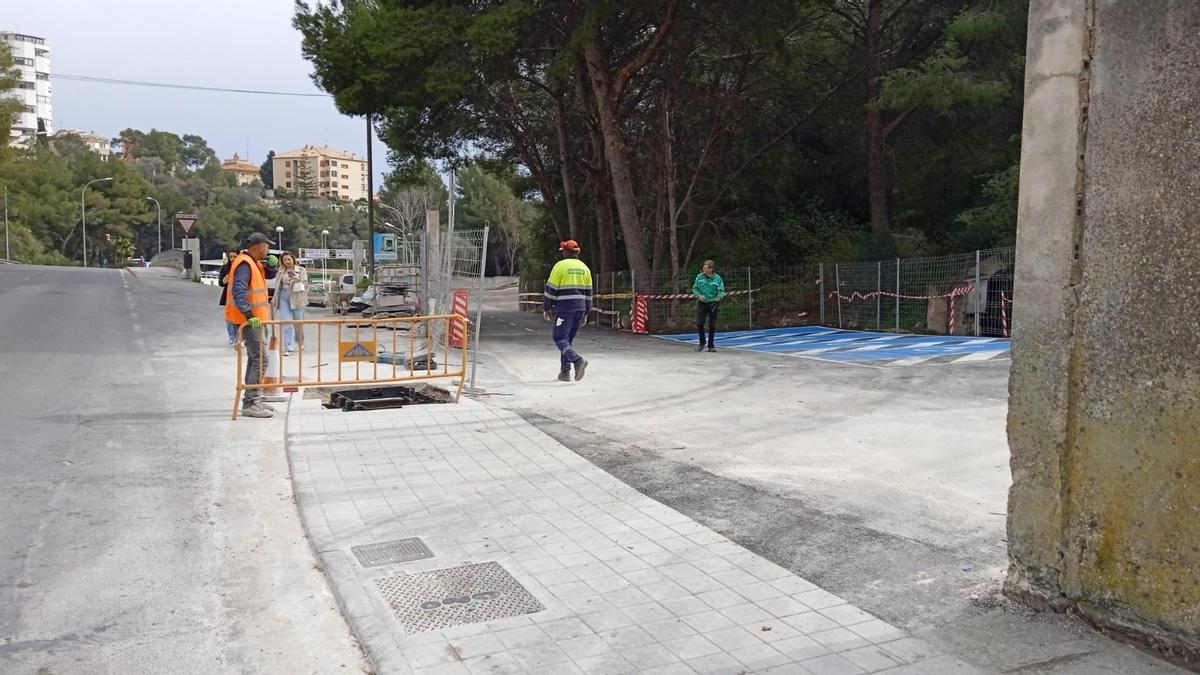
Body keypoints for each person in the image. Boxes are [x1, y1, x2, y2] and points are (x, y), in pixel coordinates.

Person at [228, 233, 280, 418]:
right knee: (260, 359)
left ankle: (253, 398)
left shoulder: (254, 263)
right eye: (267, 246)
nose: (268, 250)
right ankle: (251, 402)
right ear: (260, 247)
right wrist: (249, 314)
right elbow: (238, 291)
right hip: (250, 321)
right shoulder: (244, 264)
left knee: (255, 359)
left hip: (256, 319)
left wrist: (273, 266)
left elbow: (269, 276)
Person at [543, 239, 592, 381]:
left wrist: (547, 307)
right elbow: (589, 292)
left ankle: (577, 361)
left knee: (559, 338)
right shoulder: (585, 268)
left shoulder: (560, 266)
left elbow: (551, 289)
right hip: (580, 308)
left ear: (565, 252)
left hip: (565, 309)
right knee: (567, 341)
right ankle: (565, 372)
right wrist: (587, 311)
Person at [273, 252, 309, 355]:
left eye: (288, 259)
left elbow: (306, 285)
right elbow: (277, 286)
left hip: (297, 296)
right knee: (286, 322)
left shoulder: (301, 270)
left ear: (293, 259)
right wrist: (275, 299)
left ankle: (300, 340)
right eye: (284, 260)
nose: (287, 262)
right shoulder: (281, 271)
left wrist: (298, 280)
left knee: (298, 323)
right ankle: (289, 347)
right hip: (284, 296)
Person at [692, 259, 725, 352]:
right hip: (702, 303)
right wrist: (698, 295)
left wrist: (719, 296)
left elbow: (722, 291)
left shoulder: (718, 279)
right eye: (703, 267)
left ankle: (711, 345)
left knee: (712, 325)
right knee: (699, 323)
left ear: (711, 269)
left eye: (705, 267)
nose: (703, 269)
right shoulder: (699, 277)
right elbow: (695, 288)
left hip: (713, 303)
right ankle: (702, 342)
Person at [218, 249, 240, 346]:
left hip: (239, 295)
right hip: (228, 295)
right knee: (229, 318)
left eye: (235, 256)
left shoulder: (242, 268)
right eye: (230, 257)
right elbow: (221, 283)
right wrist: (224, 280)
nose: (232, 259)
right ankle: (232, 337)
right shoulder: (225, 268)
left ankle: (239, 338)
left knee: (239, 317)